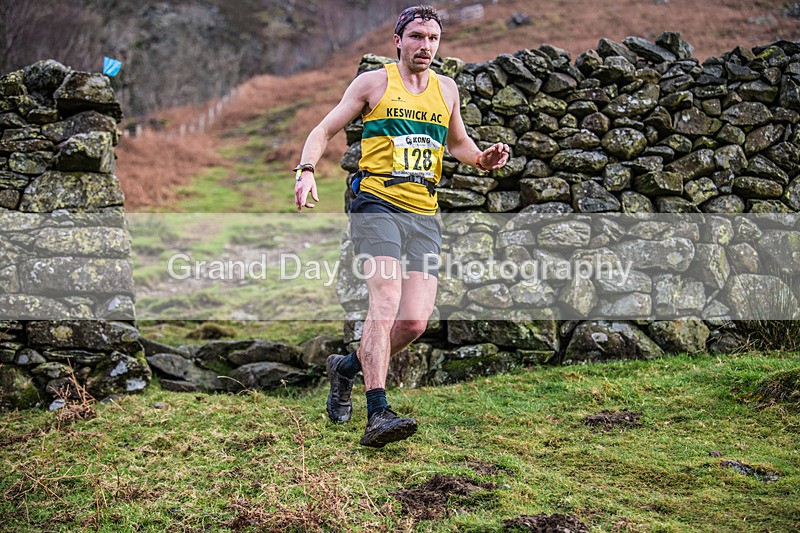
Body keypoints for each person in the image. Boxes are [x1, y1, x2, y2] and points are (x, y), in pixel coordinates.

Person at [294, 5, 509, 447]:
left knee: (413, 322)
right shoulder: (374, 83)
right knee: (386, 299)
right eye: (416, 37)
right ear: (398, 41)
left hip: (423, 213)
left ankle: (346, 368)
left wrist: (481, 159)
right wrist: (306, 169)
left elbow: (459, 143)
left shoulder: (447, 90)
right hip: (377, 204)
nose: (424, 45)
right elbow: (324, 128)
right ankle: (378, 410)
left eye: (432, 38)